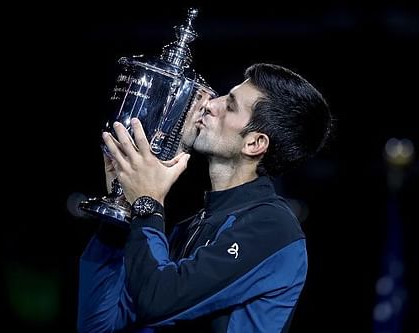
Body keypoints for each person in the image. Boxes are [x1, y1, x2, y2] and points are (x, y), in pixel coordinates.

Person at [78, 63, 333, 332]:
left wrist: (147, 203)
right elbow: (98, 326)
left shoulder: (273, 228)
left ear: (254, 143)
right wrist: (121, 210)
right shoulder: (189, 226)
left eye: (230, 106)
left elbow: (158, 299)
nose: (211, 104)